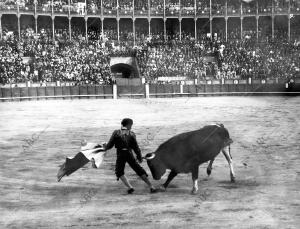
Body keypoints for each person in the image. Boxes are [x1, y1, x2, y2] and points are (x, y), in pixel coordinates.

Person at [102, 118, 157, 194]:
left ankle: (130, 187)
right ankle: (151, 186)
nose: (131, 126)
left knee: (119, 172)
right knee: (139, 170)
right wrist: (139, 157)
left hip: (120, 154)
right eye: (131, 125)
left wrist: (105, 147)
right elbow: (136, 148)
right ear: (128, 125)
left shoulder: (116, 133)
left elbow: (110, 145)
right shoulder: (132, 134)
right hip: (129, 154)